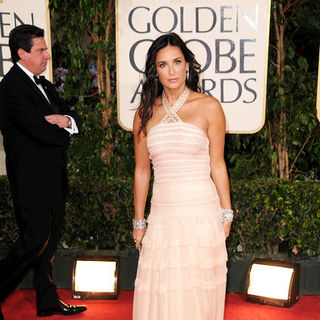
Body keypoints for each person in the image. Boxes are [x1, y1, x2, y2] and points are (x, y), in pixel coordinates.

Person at [132, 33, 233, 320]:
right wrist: (139, 222)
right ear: (155, 71)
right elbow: (142, 171)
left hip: (202, 213)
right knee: (162, 290)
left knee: (197, 292)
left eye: (177, 62)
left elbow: (217, 164)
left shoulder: (209, 107)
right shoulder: (144, 114)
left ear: (187, 64)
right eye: (163, 65)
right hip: (162, 215)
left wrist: (227, 212)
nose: (172, 70)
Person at [0, 25, 87, 318]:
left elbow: (72, 116)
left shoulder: (45, 85)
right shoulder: (12, 86)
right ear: (22, 53)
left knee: (47, 243)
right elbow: (40, 132)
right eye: (41, 50)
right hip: (30, 181)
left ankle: (47, 299)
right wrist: (63, 130)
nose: (48, 55)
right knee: (33, 241)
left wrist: (63, 120)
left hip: (53, 178)